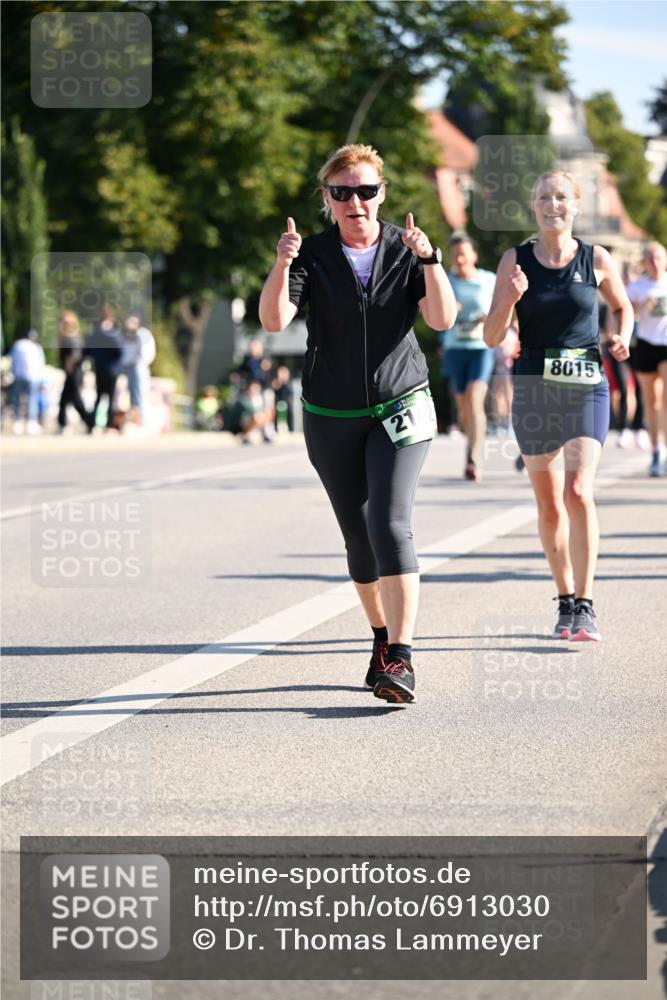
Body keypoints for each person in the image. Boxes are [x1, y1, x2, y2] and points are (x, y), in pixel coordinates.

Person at [259, 143, 456, 703]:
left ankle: (402, 655)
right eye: (342, 193)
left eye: (366, 191)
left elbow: (441, 320)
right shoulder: (312, 255)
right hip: (331, 414)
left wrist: (430, 260)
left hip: (402, 404)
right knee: (358, 538)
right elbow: (274, 320)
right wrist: (282, 263)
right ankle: (379, 638)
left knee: (391, 524)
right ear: (328, 199)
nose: (356, 202)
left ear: (381, 193)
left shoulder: (405, 249)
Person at [484, 169, 633, 642]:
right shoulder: (516, 259)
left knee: (579, 492)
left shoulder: (597, 258)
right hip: (533, 389)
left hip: (586, 384)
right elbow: (490, 335)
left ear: (576, 205)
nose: (554, 204)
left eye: (562, 197)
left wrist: (621, 336)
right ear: (534, 206)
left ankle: (586, 604)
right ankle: (565, 597)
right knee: (549, 506)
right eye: (545, 197)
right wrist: (508, 298)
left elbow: (623, 307)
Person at [438, 235, 497, 480]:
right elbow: (436, 314)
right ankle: (470, 435)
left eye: (464, 253)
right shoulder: (446, 281)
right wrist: (449, 309)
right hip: (454, 349)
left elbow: (503, 309)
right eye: (455, 255)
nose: (460, 259)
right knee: (463, 407)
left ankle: (473, 459)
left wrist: (490, 317)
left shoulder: (488, 280)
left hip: (481, 347)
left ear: (474, 255)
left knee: (474, 399)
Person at [626, 241, 667, 476]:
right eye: (650, 258)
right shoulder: (638, 286)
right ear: (644, 262)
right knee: (651, 403)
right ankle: (655, 451)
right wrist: (641, 305)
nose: (654, 262)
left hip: (666, 344)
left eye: (659, 257)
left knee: (666, 400)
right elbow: (624, 309)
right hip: (645, 344)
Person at [84, 305, 124, 431]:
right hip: (111, 370)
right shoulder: (113, 334)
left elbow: (87, 351)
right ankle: (109, 425)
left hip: (99, 369)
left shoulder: (95, 333)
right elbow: (120, 352)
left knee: (98, 398)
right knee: (111, 399)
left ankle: (91, 425)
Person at [57, 311, 94, 433]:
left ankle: (89, 422)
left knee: (75, 399)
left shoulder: (74, 337)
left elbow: (75, 355)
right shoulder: (65, 337)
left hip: (74, 372)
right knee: (66, 399)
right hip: (70, 372)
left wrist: (69, 366)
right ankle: (63, 423)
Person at [9, 329, 46, 434]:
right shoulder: (36, 347)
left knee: (17, 400)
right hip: (33, 376)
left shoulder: (18, 345)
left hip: (19, 376)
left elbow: (12, 360)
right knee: (32, 400)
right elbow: (41, 363)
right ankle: (31, 422)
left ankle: (17, 422)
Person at [224, 379, 274, 443]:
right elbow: (252, 410)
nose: (255, 391)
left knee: (266, 415)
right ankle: (246, 435)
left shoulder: (256, 399)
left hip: (246, 422)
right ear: (248, 389)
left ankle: (265, 433)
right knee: (257, 417)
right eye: (254, 388)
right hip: (236, 426)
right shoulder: (242, 399)